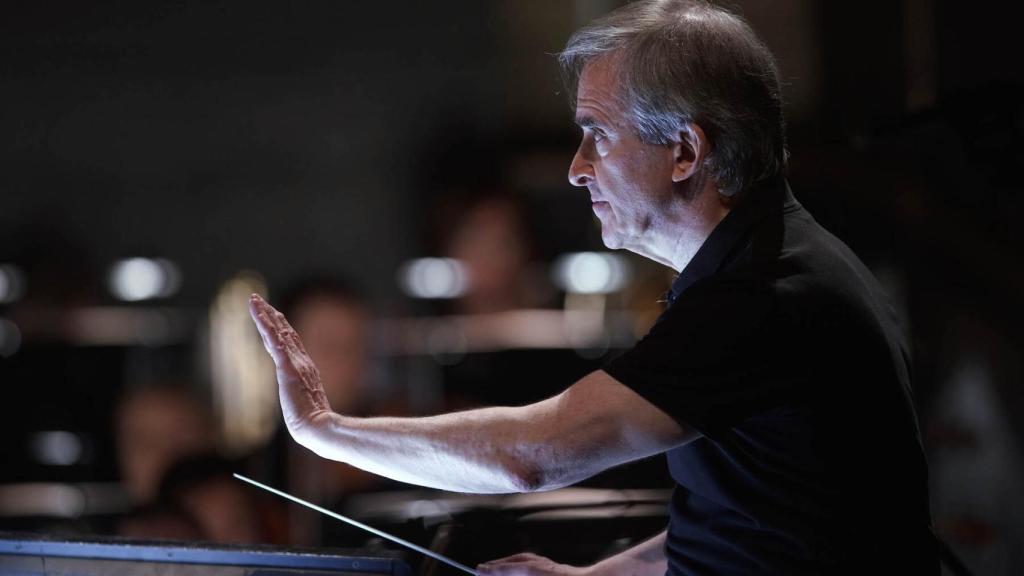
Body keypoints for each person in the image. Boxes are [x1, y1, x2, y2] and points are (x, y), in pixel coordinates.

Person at [249, 1, 938, 574]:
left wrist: (327, 432)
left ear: (687, 152)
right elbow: (746, 516)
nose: (577, 170)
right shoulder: (765, 267)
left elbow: (530, 456)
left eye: (598, 136)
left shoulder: (763, 295)